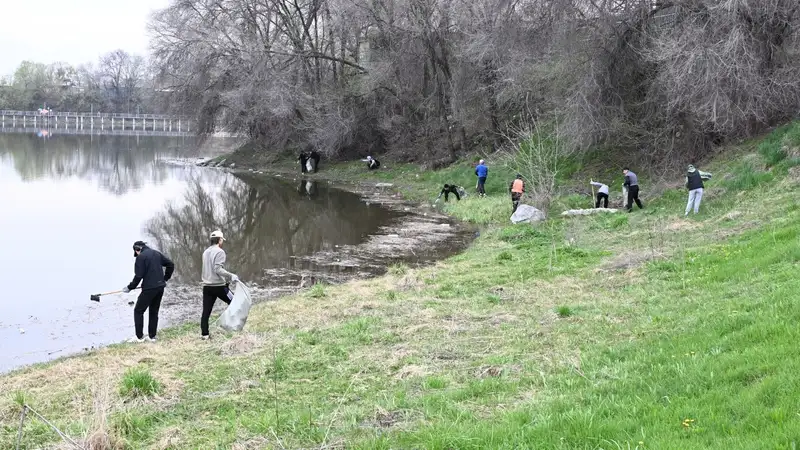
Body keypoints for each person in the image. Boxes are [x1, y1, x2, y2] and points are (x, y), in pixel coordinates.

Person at [123, 241, 174, 342]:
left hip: (149, 289)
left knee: (138, 311)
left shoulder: (141, 257)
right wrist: (165, 278)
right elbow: (170, 265)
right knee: (154, 311)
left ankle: (139, 337)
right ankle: (152, 336)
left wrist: (130, 287)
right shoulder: (156, 253)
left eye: (136, 252)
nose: (136, 254)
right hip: (160, 287)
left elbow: (138, 276)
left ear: (138, 249)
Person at [201, 230, 240, 340]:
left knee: (206, 311)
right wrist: (231, 276)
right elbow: (217, 269)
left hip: (207, 286)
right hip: (219, 286)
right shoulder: (220, 252)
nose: (222, 241)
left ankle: (204, 334)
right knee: (235, 303)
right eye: (222, 239)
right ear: (220, 240)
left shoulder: (205, 252)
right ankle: (235, 326)